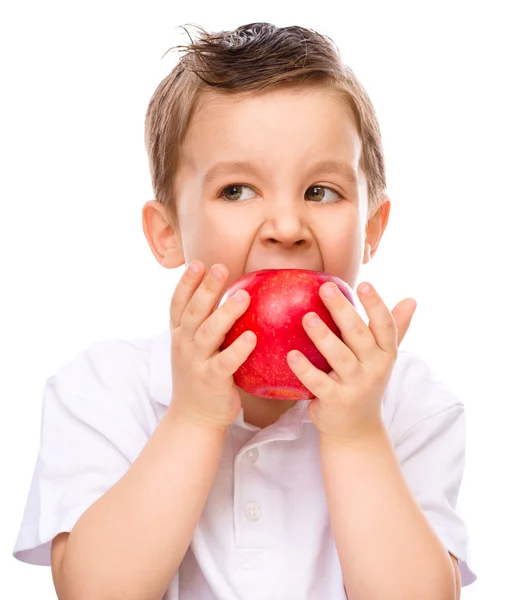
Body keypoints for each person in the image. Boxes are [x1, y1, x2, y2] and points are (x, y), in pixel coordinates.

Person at [13, 22, 476, 600]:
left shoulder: (412, 403)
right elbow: (94, 592)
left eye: (321, 191)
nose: (287, 228)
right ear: (167, 233)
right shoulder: (103, 390)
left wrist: (357, 434)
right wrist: (192, 419)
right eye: (236, 190)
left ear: (371, 230)